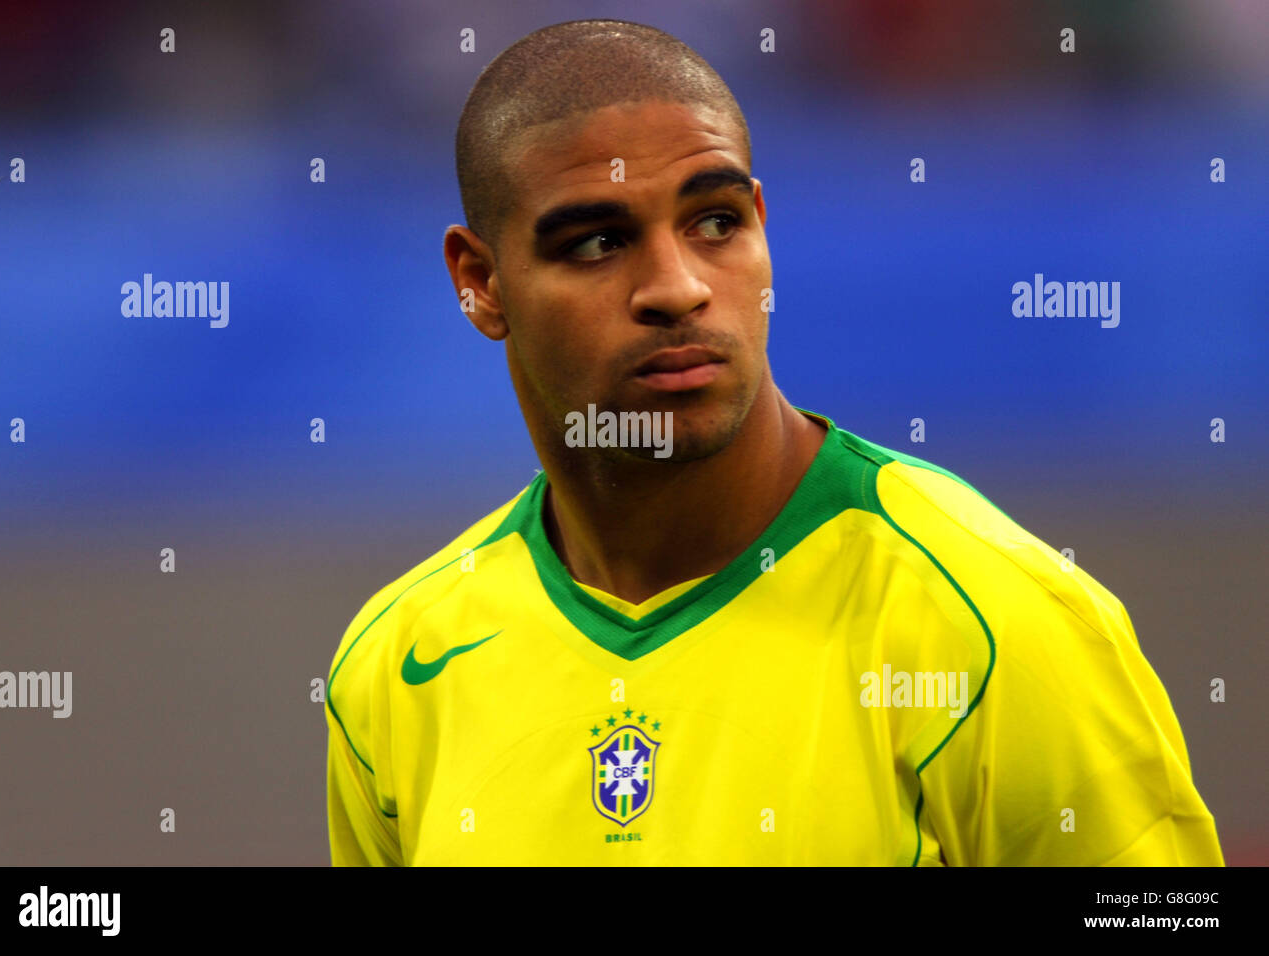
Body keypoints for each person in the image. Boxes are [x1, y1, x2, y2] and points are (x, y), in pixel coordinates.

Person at [325, 19, 1223, 865]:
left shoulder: (992, 623)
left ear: (761, 222)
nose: (677, 287)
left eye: (716, 223)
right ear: (480, 282)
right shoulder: (396, 670)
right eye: (598, 242)